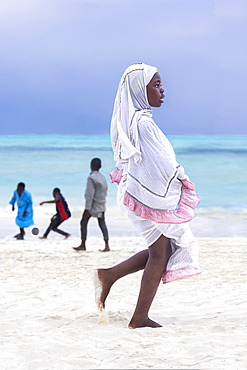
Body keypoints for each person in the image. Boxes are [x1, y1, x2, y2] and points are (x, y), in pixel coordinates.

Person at [94, 63, 201, 329]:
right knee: (160, 255)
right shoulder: (143, 124)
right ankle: (139, 317)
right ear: (140, 91)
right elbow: (161, 165)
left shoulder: (135, 120)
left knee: (163, 250)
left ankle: (109, 275)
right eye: (156, 85)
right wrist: (182, 179)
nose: (162, 90)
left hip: (134, 194)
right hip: (142, 197)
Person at [73, 158, 110, 252]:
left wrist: (87, 208)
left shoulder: (91, 178)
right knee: (102, 224)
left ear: (91, 166)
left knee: (83, 222)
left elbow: (89, 194)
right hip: (101, 204)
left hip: (93, 205)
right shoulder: (103, 177)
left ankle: (83, 244)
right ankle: (107, 245)